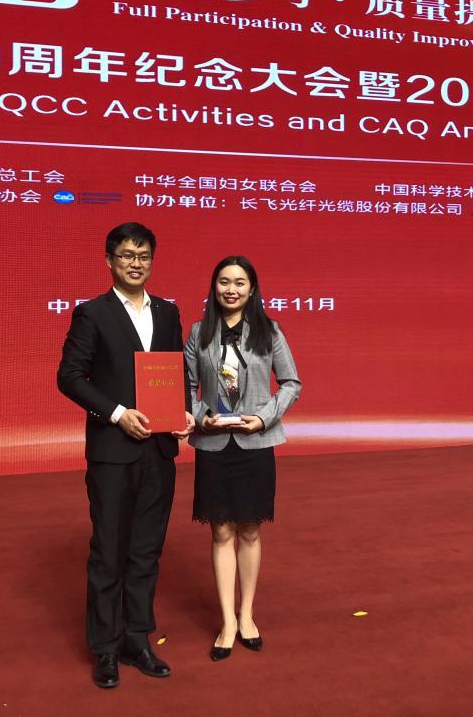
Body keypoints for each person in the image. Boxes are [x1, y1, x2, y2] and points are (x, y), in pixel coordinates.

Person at [57, 222, 194, 689]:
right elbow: (69, 377)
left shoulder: (169, 313)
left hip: (159, 449)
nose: (136, 263)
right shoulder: (91, 313)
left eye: (144, 256)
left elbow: (176, 372)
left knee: (146, 549)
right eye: (127, 255)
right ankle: (106, 648)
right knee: (108, 550)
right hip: (112, 452)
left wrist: (184, 412)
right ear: (110, 261)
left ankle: (138, 639)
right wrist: (117, 414)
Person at [184, 256, 301, 661]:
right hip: (214, 445)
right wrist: (202, 416)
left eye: (239, 282)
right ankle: (227, 622)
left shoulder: (269, 331)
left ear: (252, 289)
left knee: (249, 531)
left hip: (255, 443)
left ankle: (246, 614)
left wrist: (264, 417)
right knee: (221, 532)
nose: (231, 289)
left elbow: (291, 383)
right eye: (223, 282)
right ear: (214, 287)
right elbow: (186, 387)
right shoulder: (199, 332)